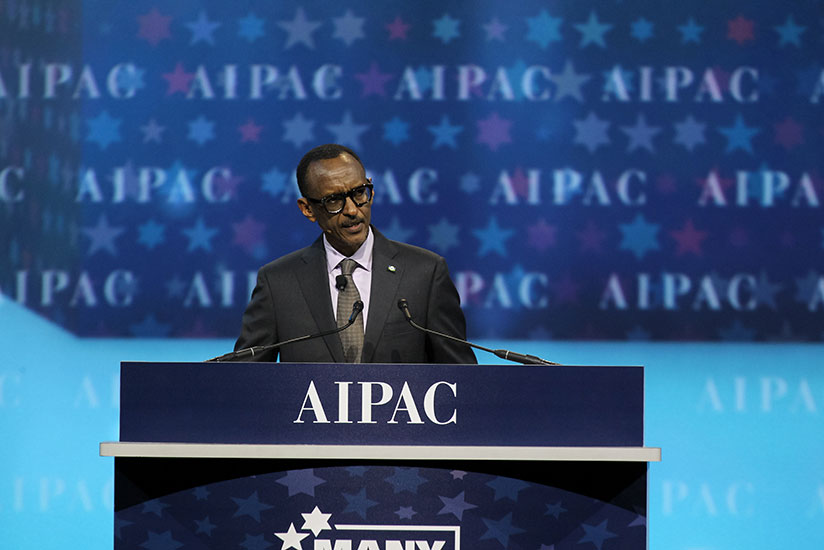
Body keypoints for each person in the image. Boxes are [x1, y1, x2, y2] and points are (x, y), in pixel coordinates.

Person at [234, 143, 477, 364]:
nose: (352, 210)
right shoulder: (278, 283)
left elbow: (461, 377)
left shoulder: (425, 273)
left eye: (360, 193)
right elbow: (245, 380)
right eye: (334, 200)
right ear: (307, 209)